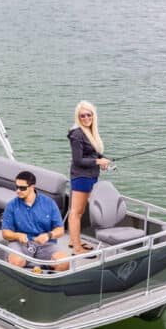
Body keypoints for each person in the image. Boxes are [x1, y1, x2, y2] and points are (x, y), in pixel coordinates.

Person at [1, 171, 70, 271]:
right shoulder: (11, 205)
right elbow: (5, 233)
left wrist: (48, 236)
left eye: (22, 188)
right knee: (16, 261)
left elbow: (60, 230)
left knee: (64, 263)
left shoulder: (49, 203)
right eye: (16, 187)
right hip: (20, 244)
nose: (18, 191)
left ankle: (47, 274)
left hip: (46, 245)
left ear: (32, 187)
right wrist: (18, 235)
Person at [67, 101, 110, 254]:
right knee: (76, 212)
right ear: (78, 117)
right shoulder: (77, 134)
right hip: (81, 177)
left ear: (93, 115)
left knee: (80, 210)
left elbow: (93, 153)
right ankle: (77, 248)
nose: (86, 118)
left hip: (91, 176)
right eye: (82, 116)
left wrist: (102, 159)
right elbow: (78, 160)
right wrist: (98, 161)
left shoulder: (91, 132)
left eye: (88, 114)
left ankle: (74, 240)